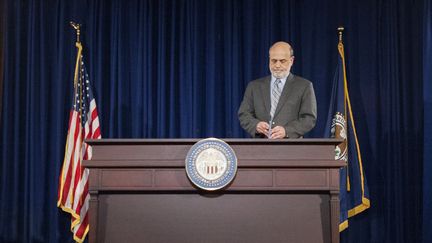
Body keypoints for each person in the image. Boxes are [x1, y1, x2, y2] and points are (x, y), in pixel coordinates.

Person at [238, 41, 317, 139]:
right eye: (274, 61)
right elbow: (244, 114)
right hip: (260, 147)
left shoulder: (304, 86)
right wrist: (256, 125)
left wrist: (287, 131)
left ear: (291, 61)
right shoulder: (254, 86)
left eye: (282, 61)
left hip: (291, 148)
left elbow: (309, 119)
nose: (277, 65)